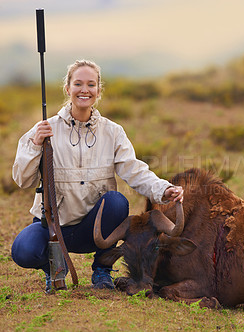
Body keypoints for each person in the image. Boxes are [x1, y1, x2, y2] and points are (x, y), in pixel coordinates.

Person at [11, 59, 183, 292]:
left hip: (94, 229)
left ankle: (101, 271)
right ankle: (52, 267)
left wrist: (163, 190)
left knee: (117, 202)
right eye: (78, 84)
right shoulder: (44, 129)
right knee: (22, 250)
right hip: (53, 225)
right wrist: (35, 144)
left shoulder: (113, 131)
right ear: (68, 88)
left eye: (91, 85)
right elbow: (23, 180)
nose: (84, 90)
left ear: (98, 90)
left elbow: (135, 170)